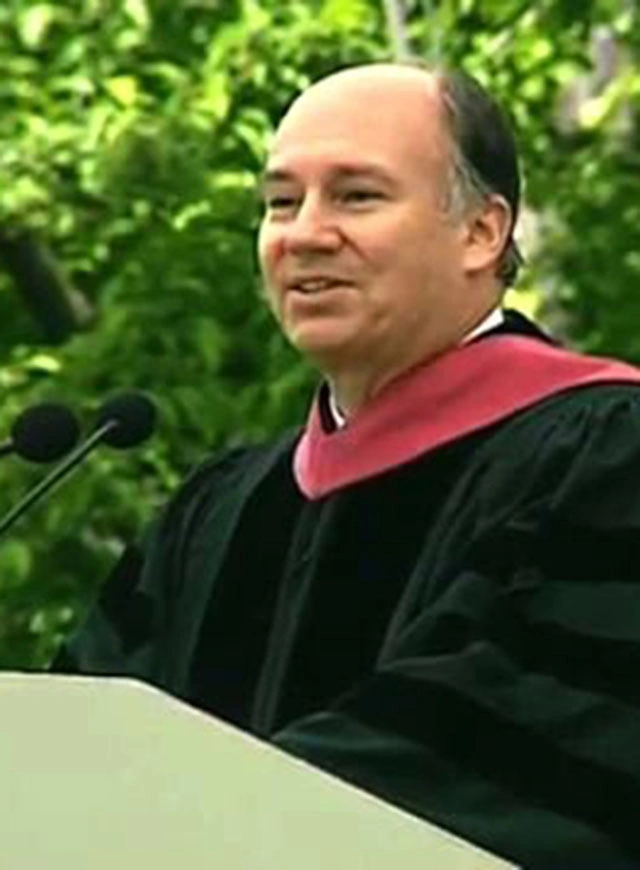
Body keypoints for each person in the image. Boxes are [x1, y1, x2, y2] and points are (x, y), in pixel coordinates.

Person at [53, 62, 640, 866]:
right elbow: (83, 748)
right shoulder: (220, 511)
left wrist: (216, 825)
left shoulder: (607, 457)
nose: (304, 233)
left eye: (357, 196)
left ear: (483, 231)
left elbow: (535, 746)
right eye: (280, 203)